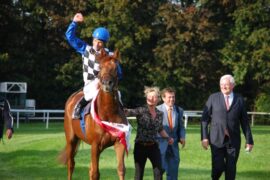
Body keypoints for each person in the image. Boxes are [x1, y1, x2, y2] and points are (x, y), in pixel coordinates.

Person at [65, 13, 123, 119]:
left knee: (118, 94)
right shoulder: (85, 49)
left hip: (106, 82)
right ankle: (78, 106)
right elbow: (70, 37)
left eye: (99, 42)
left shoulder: (110, 55)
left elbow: (119, 73)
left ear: (104, 43)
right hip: (90, 83)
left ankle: (122, 112)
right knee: (94, 90)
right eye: (95, 40)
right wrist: (74, 23)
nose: (96, 44)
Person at [201, 74, 254, 180]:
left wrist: (249, 140)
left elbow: (244, 122)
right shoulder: (213, 98)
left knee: (231, 167)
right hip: (217, 140)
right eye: (221, 84)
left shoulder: (239, 99)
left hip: (232, 141)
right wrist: (204, 137)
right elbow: (205, 119)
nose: (223, 86)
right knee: (218, 167)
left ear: (233, 85)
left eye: (226, 84)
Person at [124, 86, 174, 180]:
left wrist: (168, 138)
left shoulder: (160, 114)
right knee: (139, 175)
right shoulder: (141, 110)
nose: (151, 98)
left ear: (158, 99)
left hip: (154, 146)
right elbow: (130, 112)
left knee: (159, 172)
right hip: (140, 146)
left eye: (153, 97)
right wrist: (124, 111)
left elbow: (160, 129)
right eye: (149, 96)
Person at [157, 87, 186, 180]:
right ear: (163, 98)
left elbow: (181, 126)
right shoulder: (156, 110)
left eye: (173, 97)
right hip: (160, 146)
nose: (172, 99)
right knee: (159, 171)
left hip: (174, 146)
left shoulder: (179, 110)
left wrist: (182, 136)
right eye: (169, 97)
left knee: (173, 172)